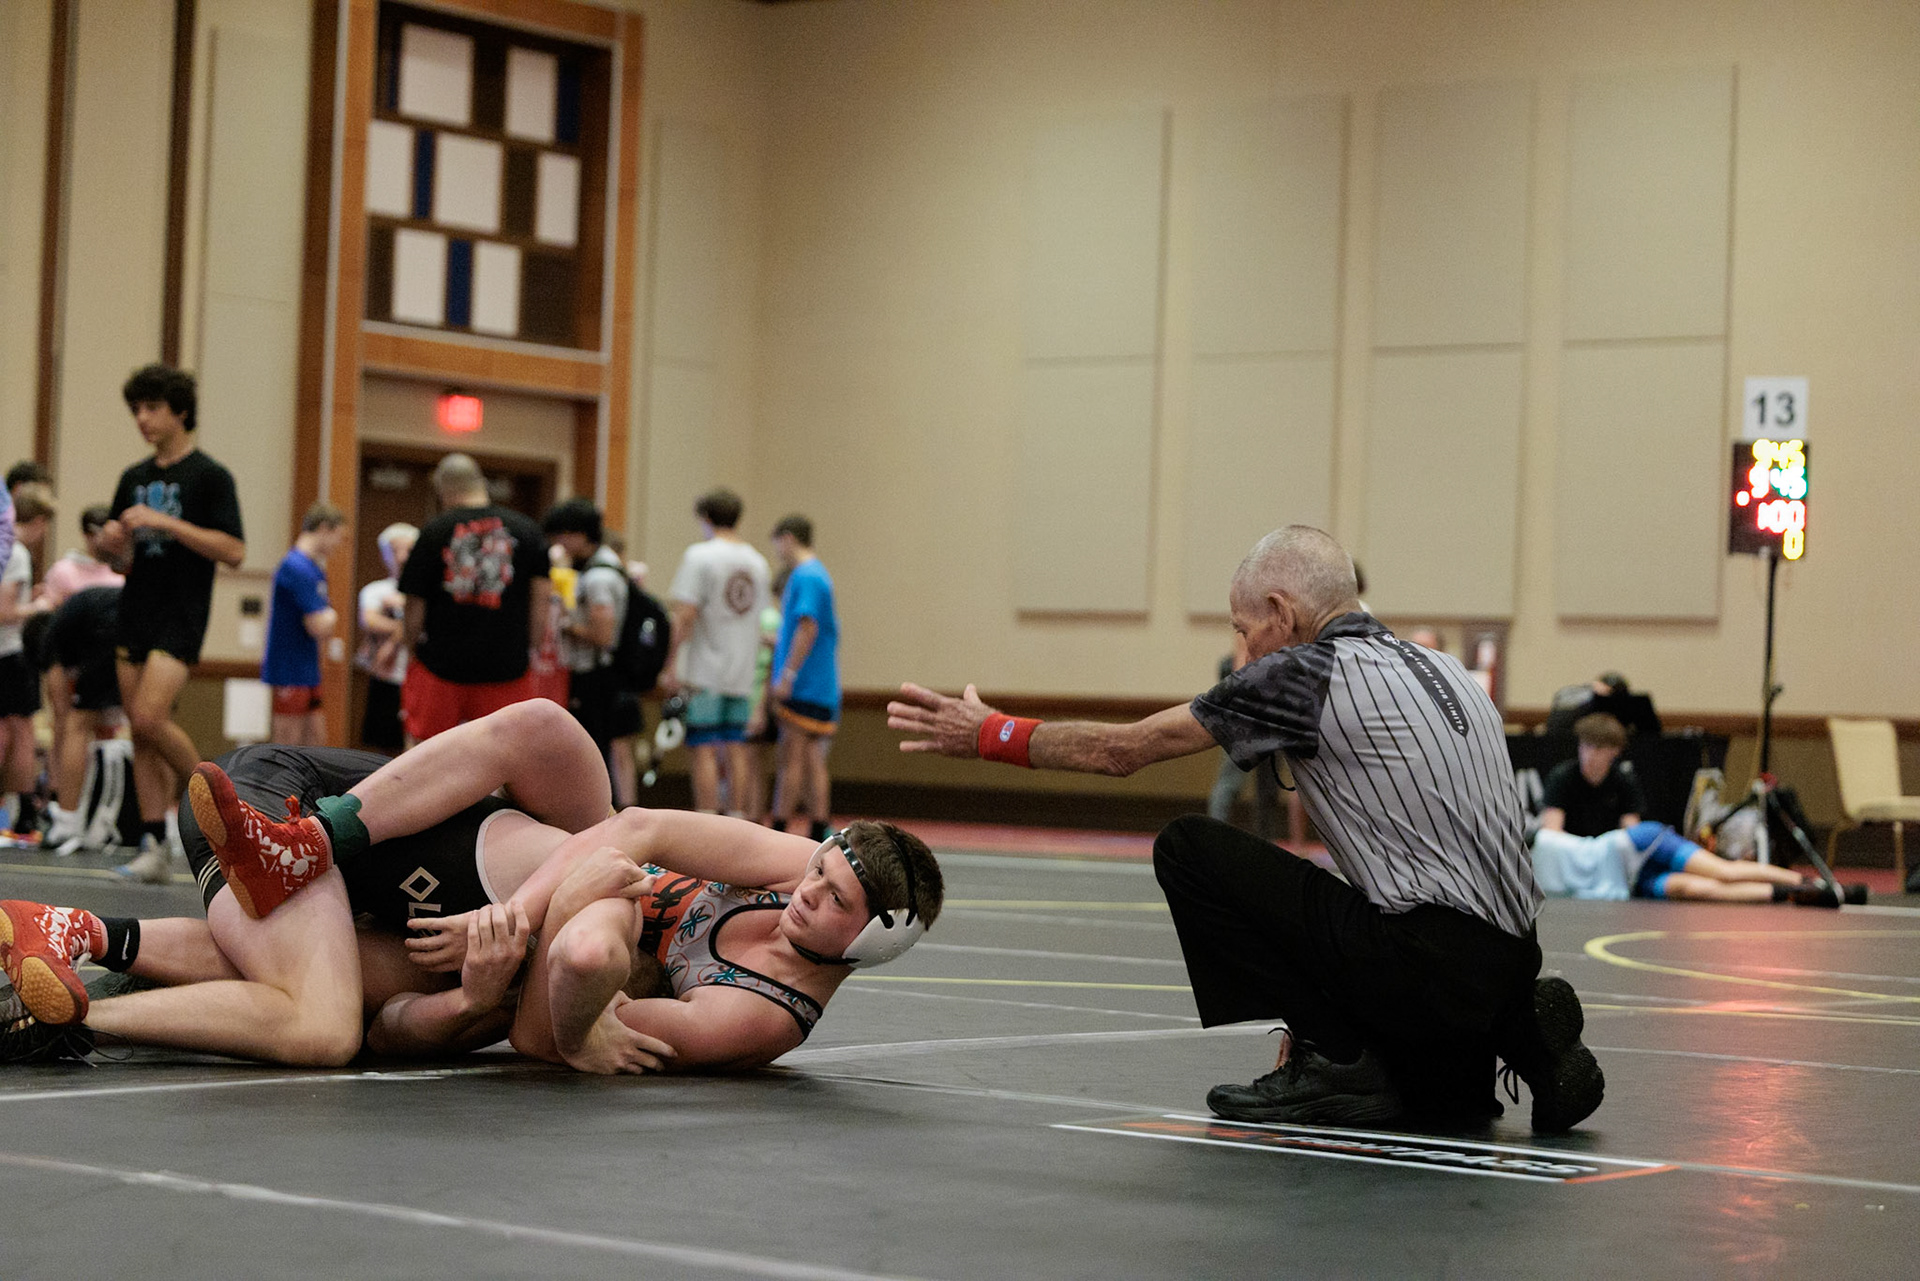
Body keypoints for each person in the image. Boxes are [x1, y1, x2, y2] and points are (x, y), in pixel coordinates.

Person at [889, 524, 1602, 1133]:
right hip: (1512, 952)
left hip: (1428, 956)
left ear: (1280, 613)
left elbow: (1122, 751)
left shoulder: (1304, 673)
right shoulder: (1444, 669)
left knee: (1189, 848)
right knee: (1446, 1102)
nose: (1242, 649)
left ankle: (1335, 1056)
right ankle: (1514, 1032)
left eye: (1241, 629)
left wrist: (990, 733)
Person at [2, 700, 942, 1076]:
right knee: (546, 732)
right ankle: (308, 844)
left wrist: (481, 996)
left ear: (868, 942)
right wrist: (532, 913)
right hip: (287, 804)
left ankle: (75, 940)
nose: (807, 892)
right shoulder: (778, 869)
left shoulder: (755, 1011)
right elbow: (634, 830)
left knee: (336, 1003)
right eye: (818, 871)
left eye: (833, 902)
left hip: (453, 910)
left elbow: (525, 1029)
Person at [97, 363, 245, 882]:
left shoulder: (210, 476)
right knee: (139, 734)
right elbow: (121, 563)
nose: (142, 418)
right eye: (136, 409)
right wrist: (111, 546)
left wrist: (165, 522)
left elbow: (234, 550)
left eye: (153, 408)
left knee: (148, 718)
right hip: (135, 608)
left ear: (180, 411)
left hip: (181, 612)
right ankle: (154, 845)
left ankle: (229, 807)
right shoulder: (132, 478)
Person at [397, 453, 550, 745]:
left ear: (443, 490)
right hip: (506, 667)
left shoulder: (434, 531)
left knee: (428, 753)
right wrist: (532, 645)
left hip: (441, 666)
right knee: (506, 753)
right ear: (481, 484)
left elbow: (415, 603)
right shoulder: (527, 531)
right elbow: (541, 598)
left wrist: (410, 645)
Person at [660, 488, 768, 814]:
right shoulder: (758, 563)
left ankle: (707, 816)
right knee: (736, 746)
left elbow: (685, 614)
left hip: (704, 669)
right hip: (742, 669)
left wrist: (670, 664)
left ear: (705, 518)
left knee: (703, 746)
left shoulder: (700, 556)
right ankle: (737, 816)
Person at [542, 498, 642, 805]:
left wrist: (566, 625)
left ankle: (601, 810)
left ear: (579, 535)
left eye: (561, 535)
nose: (558, 543)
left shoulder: (599, 577)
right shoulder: (605, 565)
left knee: (595, 746)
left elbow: (603, 634)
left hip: (598, 675)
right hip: (604, 673)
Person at [1531, 820, 1862, 905]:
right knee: (1694, 890)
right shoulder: (1528, 872)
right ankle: (1795, 895)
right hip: (1628, 880)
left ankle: (1812, 883)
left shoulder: (1529, 840)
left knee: (1724, 871)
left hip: (1636, 846)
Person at [765, 514, 840, 841]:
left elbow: (807, 627)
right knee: (812, 759)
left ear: (788, 538)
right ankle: (819, 824)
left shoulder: (805, 576)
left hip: (804, 684)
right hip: (821, 685)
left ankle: (780, 826)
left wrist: (787, 674)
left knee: (791, 758)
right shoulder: (820, 575)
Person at [38, 585, 123, 850]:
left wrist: (56, 785)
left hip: (111, 623)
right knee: (149, 726)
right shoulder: (71, 624)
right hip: (142, 620)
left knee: (76, 724)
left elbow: (62, 714)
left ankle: (66, 821)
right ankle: (166, 820)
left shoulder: (52, 645)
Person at [262, 502, 346, 746]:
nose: (338, 545)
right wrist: (331, 616)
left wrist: (328, 617)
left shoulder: (313, 569)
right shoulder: (295, 567)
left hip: (307, 667)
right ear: (324, 528)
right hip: (290, 668)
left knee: (316, 740)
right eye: (338, 537)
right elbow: (318, 625)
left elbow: (323, 622)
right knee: (288, 744)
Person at [0, 485, 53, 841]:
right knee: (20, 733)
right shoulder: (16, 552)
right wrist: (39, 607)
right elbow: (4, 612)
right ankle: (22, 811)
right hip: (10, 652)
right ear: (36, 521)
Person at [1204, 637, 1280, 842]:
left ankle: (1265, 842)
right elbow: (1241, 664)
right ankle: (1214, 840)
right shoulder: (1253, 630)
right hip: (1247, 708)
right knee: (1231, 782)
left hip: (1269, 708)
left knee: (1268, 787)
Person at [355, 523, 416, 754]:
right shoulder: (375, 591)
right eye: (395, 550)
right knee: (382, 746)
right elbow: (370, 621)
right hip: (386, 677)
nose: (402, 557)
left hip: (416, 676)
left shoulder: (423, 593)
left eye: (408, 550)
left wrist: (397, 626)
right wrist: (405, 622)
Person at [1538, 713, 1646, 837]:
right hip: (1569, 845)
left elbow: (1631, 830)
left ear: (1615, 750)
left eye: (1598, 748)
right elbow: (1552, 830)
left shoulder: (1624, 781)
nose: (1590, 754)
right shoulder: (1562, 776)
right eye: (1586, 745)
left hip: (1608, 845)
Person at [1544, 671, 1662, 739]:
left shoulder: (1633, 711)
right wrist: (1591, 694)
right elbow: (1557, 723)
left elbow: (1651, 732)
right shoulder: (1578, 699)